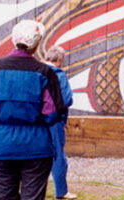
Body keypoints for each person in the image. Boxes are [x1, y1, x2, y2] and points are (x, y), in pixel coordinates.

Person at [0, 20, 67, 200]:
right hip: (36, 146)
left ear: (13, 40)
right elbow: (52, 112)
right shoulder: (45, 72)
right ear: (36, 44)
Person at [43, 46, 76, 199]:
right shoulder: (58, 74)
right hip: (54, 120)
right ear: (59, 60)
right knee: (57, 155)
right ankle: (61, 190)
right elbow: (67, 99)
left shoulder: (36, 71)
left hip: (36, 121)